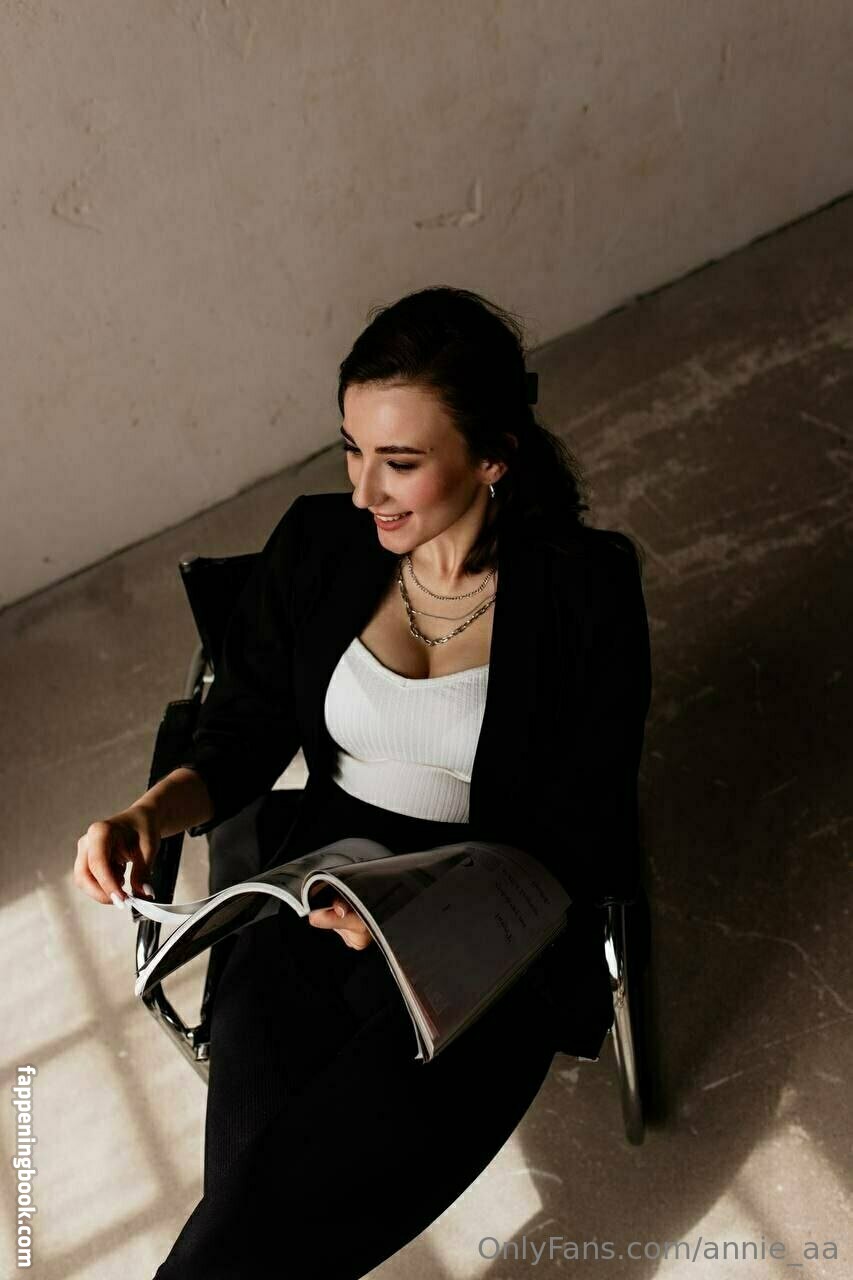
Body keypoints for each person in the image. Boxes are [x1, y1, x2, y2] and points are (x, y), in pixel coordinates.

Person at [73, 286, 652, 1278]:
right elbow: (242, 727)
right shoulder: (318, 543)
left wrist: (411, 922)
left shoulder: (582, 588)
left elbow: (584, 822)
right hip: (315, 884)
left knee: (256, 1226)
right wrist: (146, 812)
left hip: (488, 932)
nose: (363, 491)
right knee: (261, 1217)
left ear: (493, 456)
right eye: (352, 448)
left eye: (400, 462)